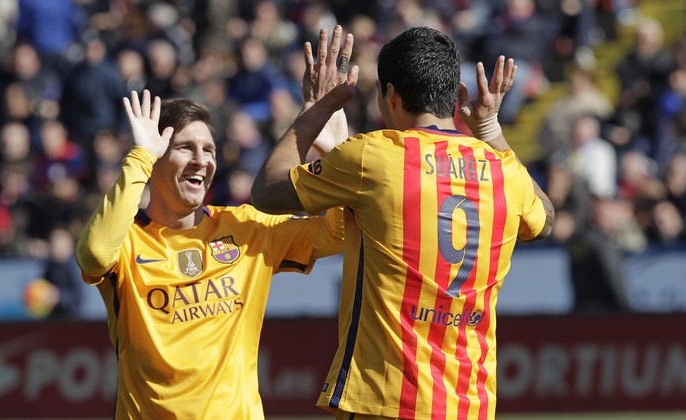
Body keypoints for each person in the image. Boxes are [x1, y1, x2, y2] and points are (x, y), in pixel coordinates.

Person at [251, 25, 554, 419]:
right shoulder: (505, 171)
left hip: (386, 400)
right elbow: (545, 220)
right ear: (454, 94)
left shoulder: (374, 156)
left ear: (390, 94)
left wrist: (316, 107)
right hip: (469, 405)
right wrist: (491, 131)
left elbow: (268, 192)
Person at [74, 89, 345, 418]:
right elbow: (94, 255)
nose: (201, 160)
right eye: (185, 147)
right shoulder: (128, 241)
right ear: (156, 156)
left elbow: (338, 234)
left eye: (209, 150)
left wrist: (338, 159)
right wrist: (141, 158)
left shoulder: (247, 228)